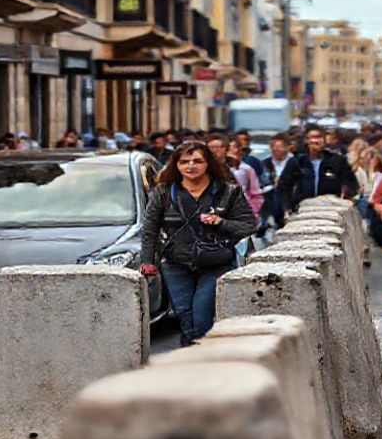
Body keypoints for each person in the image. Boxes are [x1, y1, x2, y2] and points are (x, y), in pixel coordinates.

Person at [140, 142, 257, 346]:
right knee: (185, 317)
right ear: (176, 165)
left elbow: (249, 225)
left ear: (208, 163)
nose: (191, 166)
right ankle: (193, 355)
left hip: (215, 263)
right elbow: (150, 230)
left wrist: (220, 222)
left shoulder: (228, 191)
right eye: (184, 162)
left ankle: (200, 354)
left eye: (197, 161)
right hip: (176, 264)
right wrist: (147, 261)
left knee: (202, 317)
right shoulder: (164, 192)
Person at [277, 124, 359, 211]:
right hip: (303, 209)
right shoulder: (297, 161)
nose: (316, 141)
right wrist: (287, 208)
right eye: (313, 137)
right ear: (306, 140)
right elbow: (283, 187)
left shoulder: (337, 160)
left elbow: (351, 184)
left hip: (331, 209)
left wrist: (345, 195)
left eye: (319, 137)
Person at [260, 133, 294, 229]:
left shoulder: (296, 161)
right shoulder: (265, 163)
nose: (275, 149)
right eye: (272, 146)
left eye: (279, 146)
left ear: (287, 147)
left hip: (290, 202)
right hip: (271, 204)